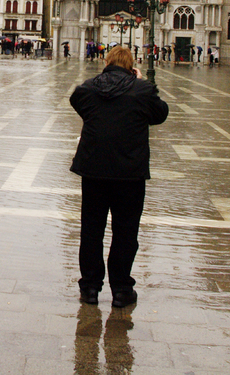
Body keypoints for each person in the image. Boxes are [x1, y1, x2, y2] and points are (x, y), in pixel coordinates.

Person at [69, 46, 169, 308]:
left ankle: (90, 288)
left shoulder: (88, 89)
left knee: (92, 230)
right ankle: (122, 290)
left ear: (106, 62)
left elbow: (77, 102)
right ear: (131, 66)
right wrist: (142, 83)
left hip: (94, 170)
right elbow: (160, 114)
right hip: (129, 173)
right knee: (125, 231)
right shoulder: (142, 90)